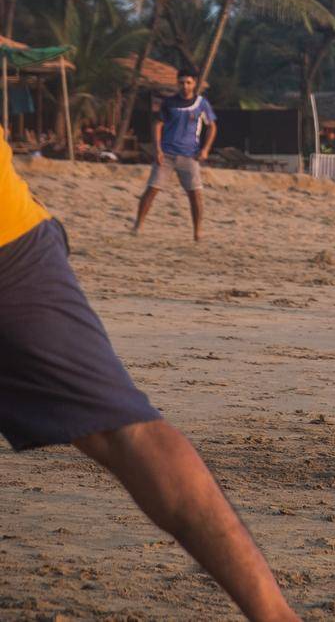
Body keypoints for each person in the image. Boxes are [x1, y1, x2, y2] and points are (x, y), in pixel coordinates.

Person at [2, 123, 299, 619]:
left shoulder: (196, 112)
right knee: (124, 435)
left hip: (9, 249)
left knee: (123, 435)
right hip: (14, 243)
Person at [132, 68, 217, 241]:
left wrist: (205, 149)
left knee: (195, 195)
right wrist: (157, 150)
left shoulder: (201, 104)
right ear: (177, 83)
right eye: (181, 82)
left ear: (194, 84)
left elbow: (212, 127)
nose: (185, 86)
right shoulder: (168, 103)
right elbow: (157, 125)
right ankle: (138, 226)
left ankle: (197, 232)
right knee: (152, 190)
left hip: (190, 156)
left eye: (188, 82)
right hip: (167, 154)